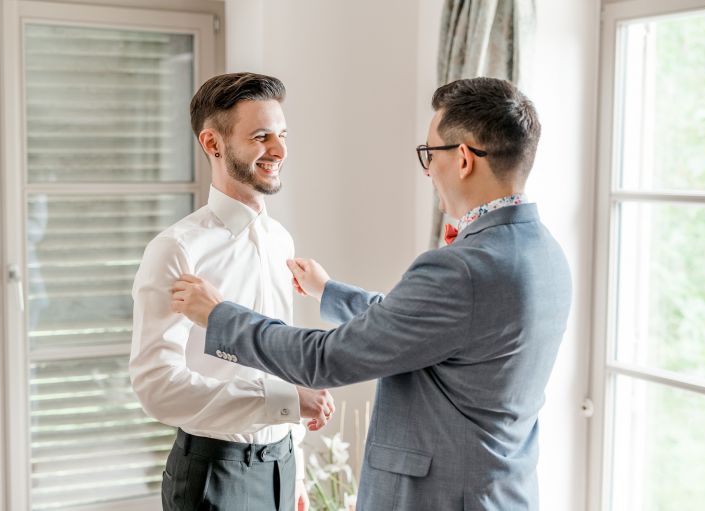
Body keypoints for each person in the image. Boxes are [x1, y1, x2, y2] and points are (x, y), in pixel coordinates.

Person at [171, 77, 572, 510]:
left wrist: (219, 317)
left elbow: (324, 360)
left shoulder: (462, 268)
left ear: (462, 160)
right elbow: (426, 326)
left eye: (429, 153)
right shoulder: (545, 252)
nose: (426, 170)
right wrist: (330, 293)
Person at [129, 72, 335, 511]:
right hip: (214, 474)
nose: (279, 151)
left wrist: (293, 459)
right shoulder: (176, 249)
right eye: (261, 137)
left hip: (281, 465)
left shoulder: (280, 240)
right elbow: (156, 385)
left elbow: (278, 354)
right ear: (213, 143)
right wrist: (284, 403)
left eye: (282, 135)